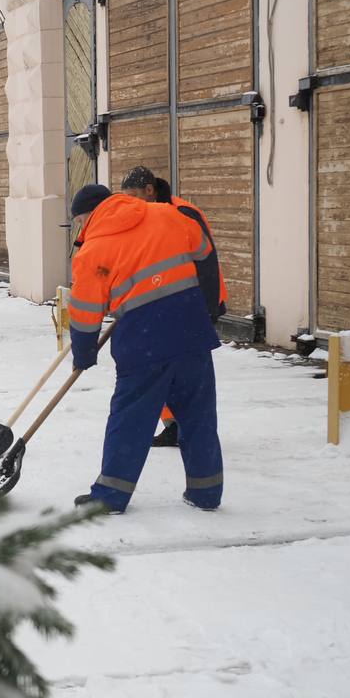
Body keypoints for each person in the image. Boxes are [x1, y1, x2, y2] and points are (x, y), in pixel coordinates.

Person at [67, 183, 224, 513]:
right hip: (191, 330)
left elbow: (84, 311)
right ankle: (206, 492)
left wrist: (83, 353)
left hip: (144, 340)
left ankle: (110, 496)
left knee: (131, 419)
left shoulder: (93, 251)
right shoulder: (167, 215)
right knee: (199, 416)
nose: (80, 229)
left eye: (79, 221)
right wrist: (206, 306)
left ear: (87, 216)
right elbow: (203, 250)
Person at [121, 167, 229, 448]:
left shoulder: (183, 213)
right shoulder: (143, 218)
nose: (131, 202)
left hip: (194, 305)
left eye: (134, 196)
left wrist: (205, 310)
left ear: (149, 190)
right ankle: (173, 425)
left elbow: (206, 265)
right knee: (158, 365)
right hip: (161, 307)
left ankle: (191, 427)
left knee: (185, 373)